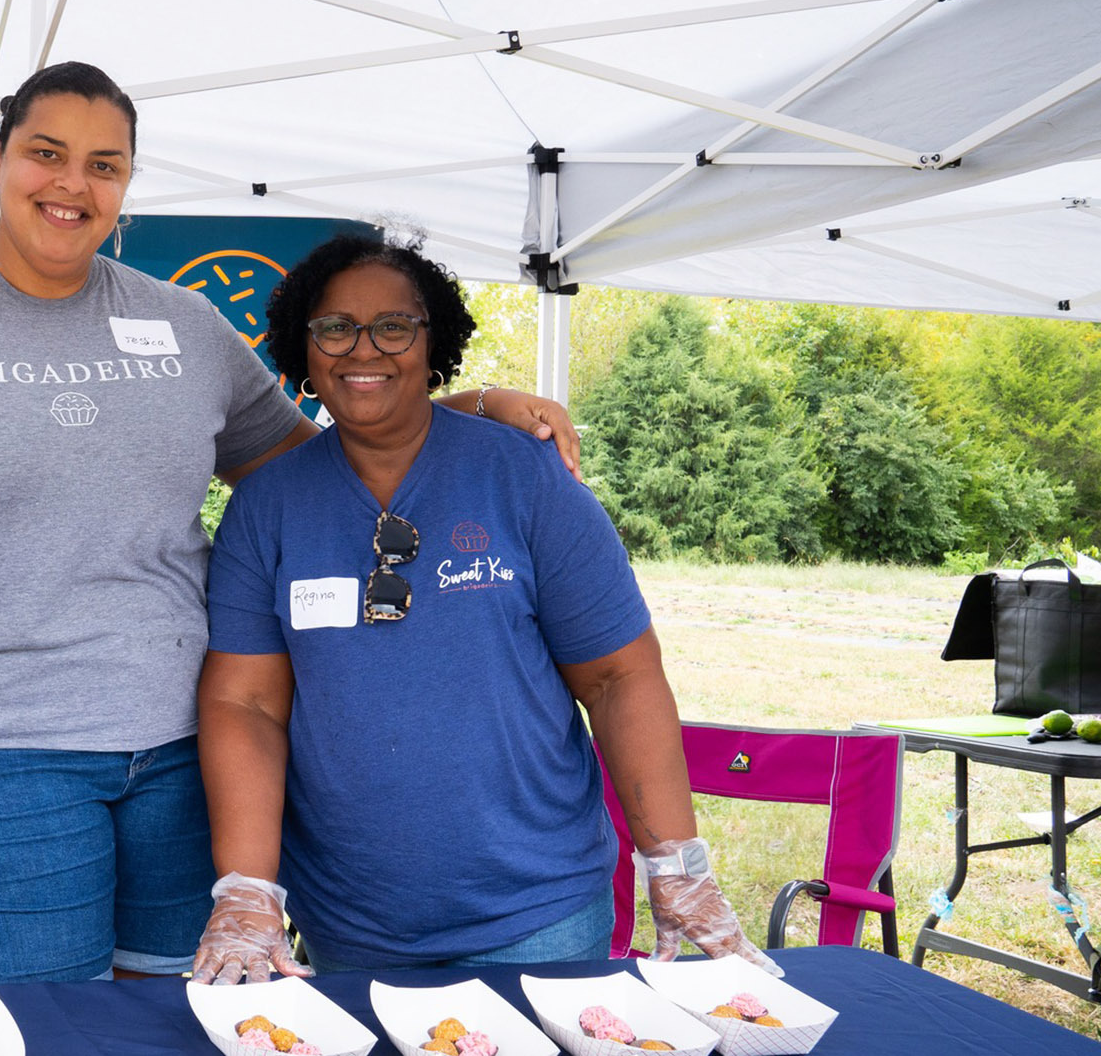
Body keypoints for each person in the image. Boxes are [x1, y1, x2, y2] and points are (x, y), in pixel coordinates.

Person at [0, 62, 584, 985]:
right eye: (46, 155)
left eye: (105, 165)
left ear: (127, 183)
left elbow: (320, 465)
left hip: (184, 752)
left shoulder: (183, 327)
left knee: (185, 1022)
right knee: (45, 1031)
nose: (71, 185)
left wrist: (470, 404)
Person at [190, 235, 778, 982]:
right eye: (335, 327)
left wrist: (675, 861)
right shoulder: (267, 508)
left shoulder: (525, 478)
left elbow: (618, 678)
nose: (362, 348)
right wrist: (246, 891)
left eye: (394, 326)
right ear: (302, 350)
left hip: (536, 917)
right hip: (348, 920)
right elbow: (246, 706)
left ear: (433, 339)